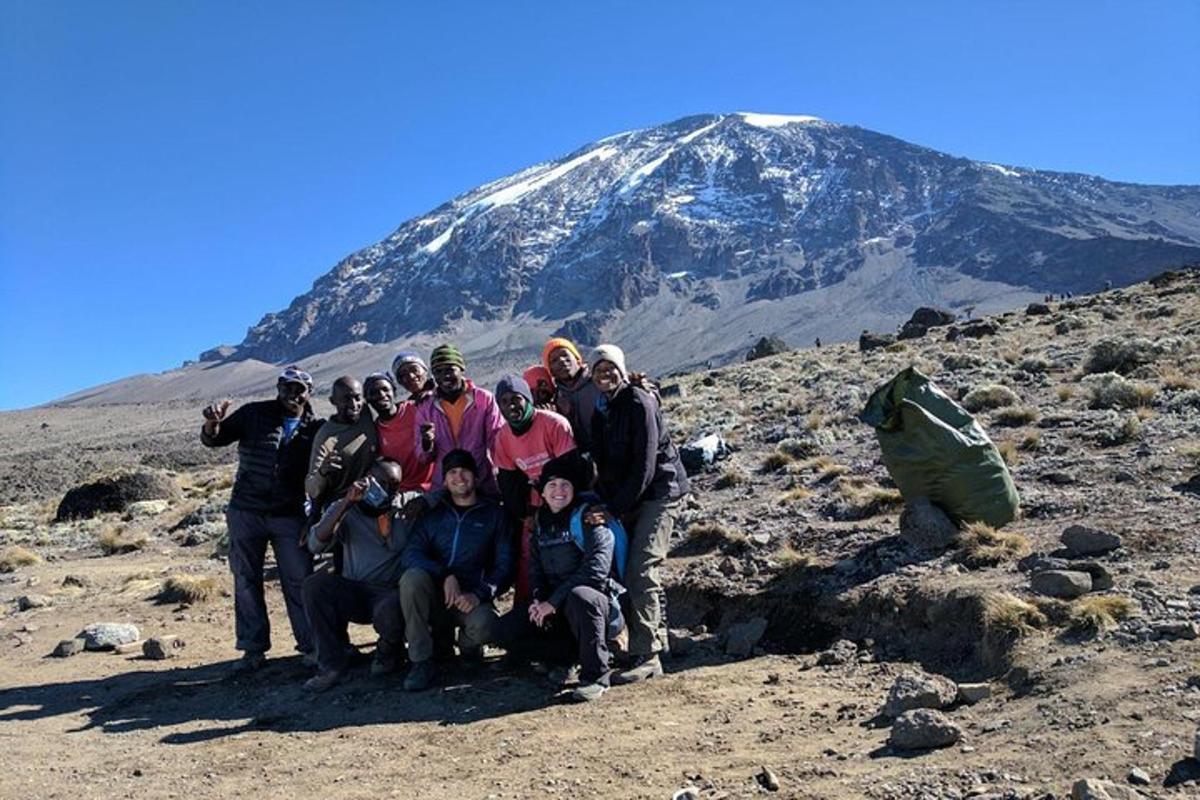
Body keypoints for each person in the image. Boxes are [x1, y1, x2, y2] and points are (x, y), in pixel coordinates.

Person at [200, 365, 322, 673]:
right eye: (287, 386)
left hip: (289, 514)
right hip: (246, 511)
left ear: (309, 393)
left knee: (299, 579)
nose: (292, 393)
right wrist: (212, 425)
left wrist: (313, 514)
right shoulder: (253, 414)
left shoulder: (315, 427)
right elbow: (216, 440)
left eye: (299, 388)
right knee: (246, 579)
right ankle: (253, 649)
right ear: (278, 387)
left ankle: (311, 646)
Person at [589, 344, 689, 684]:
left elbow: (646, 465)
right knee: (630, 568)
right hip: (628, 498)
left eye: (610, 367)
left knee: (641, 567)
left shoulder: (638, 402)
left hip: (660, 492)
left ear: (622, 369)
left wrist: (613, 509)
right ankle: (651, 643)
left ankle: (648, 655)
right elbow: (602, 466)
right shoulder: (601, 411)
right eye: (598, 369)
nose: (605, 374)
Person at [499, 452, 621, 702]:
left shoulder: (590, 519)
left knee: (582, 597)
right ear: (541, 492)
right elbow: (535, 570)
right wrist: (537, 599)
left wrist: (552, 602)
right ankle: (565, 659)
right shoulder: (539, 523)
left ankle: (596, 675)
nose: (559, 490)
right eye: (551, 485)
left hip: (592, 607)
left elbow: (595, 572)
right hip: (555, 609)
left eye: (565, 484)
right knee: (503, 630)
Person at [399, 449, 513, 691]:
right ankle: (421, 661)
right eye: (452, 472)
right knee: (411, 579)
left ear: (476, 476)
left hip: (470, 599)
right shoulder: (433, 515)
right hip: (436, 595)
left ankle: (469, 647)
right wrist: (444, 574)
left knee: (486, 624)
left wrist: (479, 594)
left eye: (464, 471)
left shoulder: (494, 515)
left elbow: (505, 566)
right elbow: (411, 554)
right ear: (444, 479)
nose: (459, 477)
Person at [301, 459, 411, 692]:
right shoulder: (346, 508)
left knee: (392, 606)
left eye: (394, 484)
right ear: (367, 480)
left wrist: (424, 503)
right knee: (315, 586)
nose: (387, 490)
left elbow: (437, 496)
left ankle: (389, 651)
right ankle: (331, 665)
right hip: (355, 590)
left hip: (390, 592)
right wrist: (346, 504)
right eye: (380, 482)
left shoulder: (405, 505)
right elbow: (315, 544)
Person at [492, 374, 577, 601]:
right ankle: (527, 608)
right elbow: (508, 484)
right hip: (533, 505)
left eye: (516, 399)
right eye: (504, 401)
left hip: (565, 498)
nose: (511, 405)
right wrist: (524, 515)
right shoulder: (501, 439)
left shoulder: (554, 424)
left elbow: (570, 469)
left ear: (527, 399)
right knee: (528, 555)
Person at [414, 344, 503, 495]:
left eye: (449, 369)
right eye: (438, 372)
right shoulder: (426, 407)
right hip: (445, 486)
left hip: (481, 482)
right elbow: (423, 458)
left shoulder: (483, 399)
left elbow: (497, 441)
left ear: (461, 369)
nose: (444, 376)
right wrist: (426, 443)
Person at [305, 376, 377, 511]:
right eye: (346, 399)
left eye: (357, 398)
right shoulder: (326, 436)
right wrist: (323, 472)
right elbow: (312, 488)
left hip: (373, 496)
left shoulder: (366, 413)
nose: (354, 404)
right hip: (343, 504)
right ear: (333, 401)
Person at [365, 371, 433, 494]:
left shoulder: (416, 409)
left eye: (385, 389)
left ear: (394, 391)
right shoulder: (374, 431)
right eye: (374, 393)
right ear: (367, 399)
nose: (381, 395)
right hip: (403, 492)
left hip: (434, 485)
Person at [542, 337, 601, 456]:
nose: (562, 361)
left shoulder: (598, 382)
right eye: (554, 360)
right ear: (551, 371)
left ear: (578, 359)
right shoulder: (556, 400)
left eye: (565, 355)